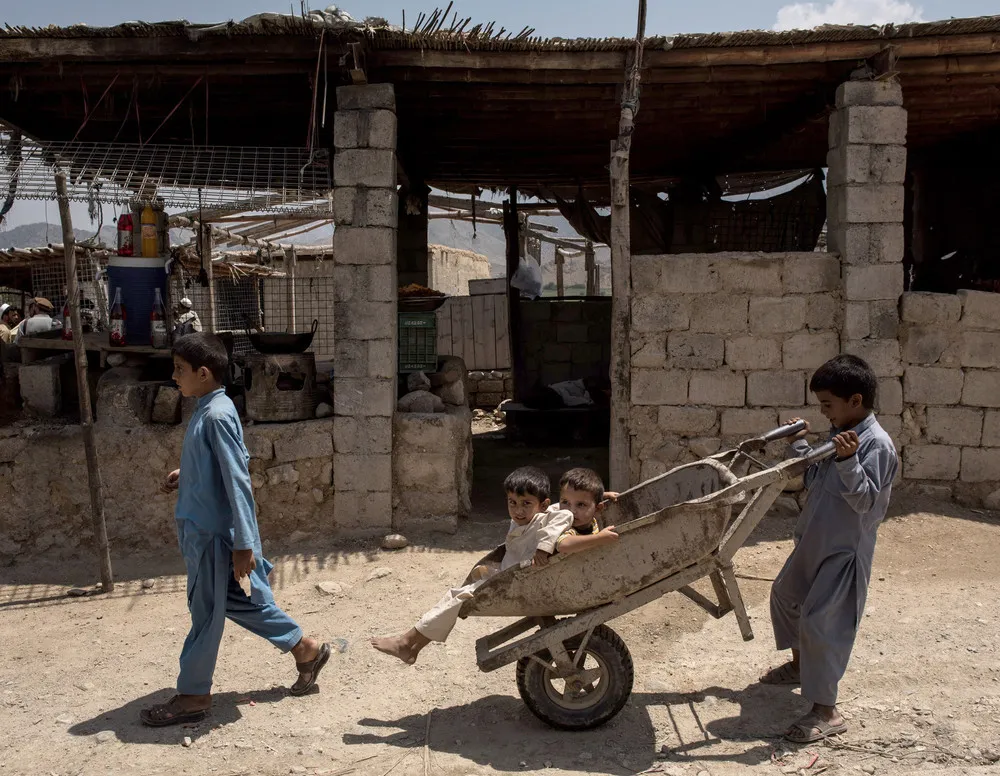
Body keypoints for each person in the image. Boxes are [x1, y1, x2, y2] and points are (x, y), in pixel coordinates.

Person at [140, 333, 330, 727]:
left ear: (203, 373)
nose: (174, 376)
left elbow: (238, 479)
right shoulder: (210, 407)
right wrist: (187, 474)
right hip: (202, 532)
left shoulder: (215, 414)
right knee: (231, 602)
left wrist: (245, 543)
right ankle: (305, 648)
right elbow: (217, 466)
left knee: (206, 611)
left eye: (179, 369)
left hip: (211, 537)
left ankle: (193, 696)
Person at [759, 354, 898, 744]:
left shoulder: (877, 446)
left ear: (855, 400)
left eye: (827, 405)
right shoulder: (840, 433)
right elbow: (813, 472)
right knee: (785, 597)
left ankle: (826, 710)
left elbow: (868, 503)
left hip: (844, 550)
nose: (823, 413)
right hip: (814, 538)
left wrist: (850, 459)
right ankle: (801, 667)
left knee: (823, 624)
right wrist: (798, 442)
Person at [371, 466, 573, 665]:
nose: (518, 510)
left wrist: (543, 548)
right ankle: (410, 646)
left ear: (544, 504)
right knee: (457, 596)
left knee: (457, 598)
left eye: (526, 503)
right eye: (512, 502)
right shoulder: (528, 517)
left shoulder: (545, 517)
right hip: (506, 574)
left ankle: (406, 642)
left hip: (517, 580)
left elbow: (565, 514)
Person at [554, 467, 621, 556]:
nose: (571, 511)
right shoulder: (564, 526)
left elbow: (586, 497)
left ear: (598, 509)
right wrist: (599, 538)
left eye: (580, 504)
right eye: (565, 502)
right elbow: (564, 545)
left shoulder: (591, 521)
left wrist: (603, 495)